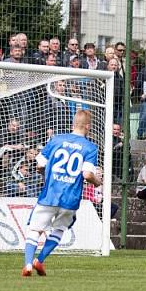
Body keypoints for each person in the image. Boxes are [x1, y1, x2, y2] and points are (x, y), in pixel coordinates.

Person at [21, 109, 102, 277]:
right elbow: (87, 175)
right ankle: (40, 260)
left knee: (35, 229)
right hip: (70, 198)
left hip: (50, 194)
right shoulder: (90, 147)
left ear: (73, 123)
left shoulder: (56, 140)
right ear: (88, 126)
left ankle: (28, 264)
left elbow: (39, 166)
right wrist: (98, 182)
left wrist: (50, 175)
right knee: (59, 229)